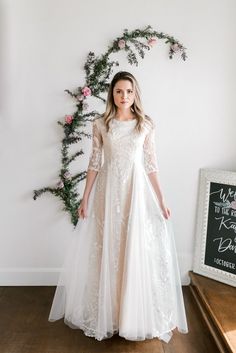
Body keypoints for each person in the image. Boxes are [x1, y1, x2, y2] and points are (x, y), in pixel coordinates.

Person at [48, 71, 188, 343]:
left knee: (135, 248)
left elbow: (151, 165)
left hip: (135, 194)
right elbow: (94, 163)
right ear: (112, 94)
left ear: (135, 94)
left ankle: (133, 314)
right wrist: (85, 197)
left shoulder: (144, 125)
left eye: (129, 92)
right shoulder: (101, 124)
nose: (124, 97)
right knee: (109, 248)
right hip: (108, 193)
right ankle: (109, 314)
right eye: (119, 91)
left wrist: (161, 200)